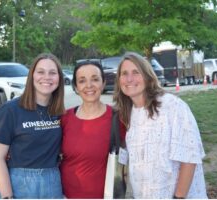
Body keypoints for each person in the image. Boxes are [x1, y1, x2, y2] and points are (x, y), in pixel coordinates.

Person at [113, 52, 207, 198]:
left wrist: (179, 197)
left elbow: (189, 157)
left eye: (136, 72)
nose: (129, 79)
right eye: (124, 73)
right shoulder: (129, 113)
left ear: (147, 76)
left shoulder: (172, 106)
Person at [0, 53, 65, 199]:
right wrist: (7, 196)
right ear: (32, 76)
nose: (47, 77)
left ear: (59, 78)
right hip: (20, 184)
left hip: (53, 182)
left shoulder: (59, 112)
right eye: (41, 72)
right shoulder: (10, 110)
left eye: (52, 73)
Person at [59, 60, 125, 198]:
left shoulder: (117, 118)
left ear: (103, 83)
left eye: (95, 79)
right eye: (82, 81)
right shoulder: (65, 118)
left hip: (105, 196)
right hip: (66, 195)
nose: (89, 85)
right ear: (76, 87)